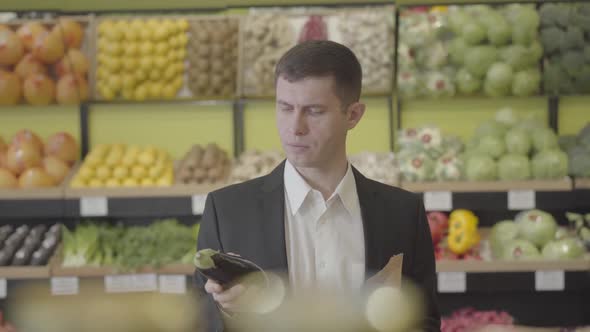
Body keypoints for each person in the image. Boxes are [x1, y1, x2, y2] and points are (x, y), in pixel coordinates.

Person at [194, 40, 440, 331]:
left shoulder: (403, 213)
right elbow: (204, 322)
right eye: (285, 108)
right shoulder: (227, 211)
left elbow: (423, 321)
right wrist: (230, 309)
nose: (294, 128)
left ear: (353, 115)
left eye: (313, 111)